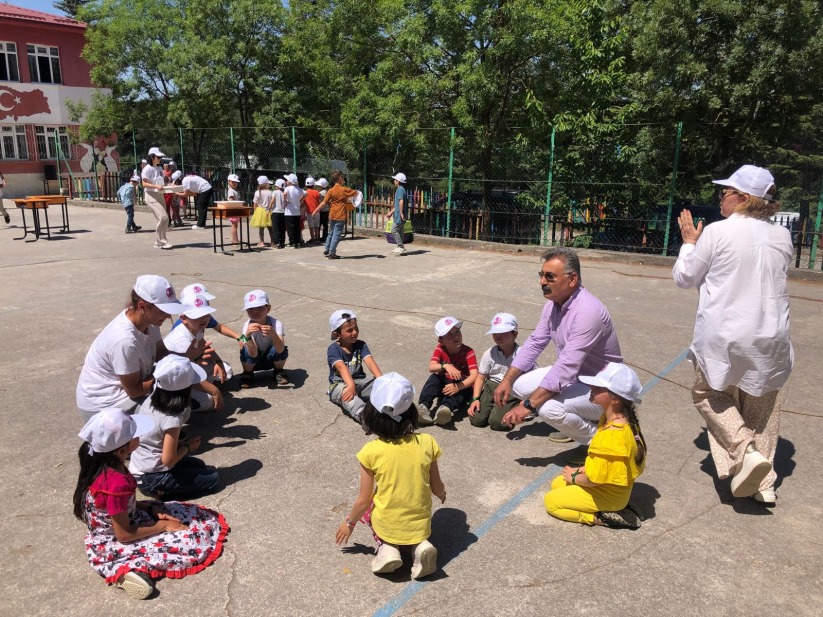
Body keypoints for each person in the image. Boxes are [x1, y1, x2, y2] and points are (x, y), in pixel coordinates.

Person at [673, 165, 793, 504]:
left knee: (708, 393)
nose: (720, 199)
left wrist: (689, 244)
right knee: (763, 404)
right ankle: (764, 485)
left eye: (724, 193)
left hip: (725, 334)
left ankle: (745, 451)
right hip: (772, 335)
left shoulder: (717, 232)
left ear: (742, 198)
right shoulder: (781, 236)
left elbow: (685, 277)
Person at [74, 408, 228, 599]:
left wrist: (149, 508)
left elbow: (119, 505)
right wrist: (162, 526)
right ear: (122, 450)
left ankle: (125, 569)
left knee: (185, 515)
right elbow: (124, 534)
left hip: (122, 519)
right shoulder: (115, 483)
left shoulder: (106, 465)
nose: (140, 436)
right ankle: (121, 572)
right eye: (135, 434)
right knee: (189, 538)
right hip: (115, 537)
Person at [496, 247, 623, 465]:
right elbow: (536, 342)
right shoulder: (553, 305)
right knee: (517, 385)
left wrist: (527, 406)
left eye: (550, 276)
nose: (542, 282)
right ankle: (573, 420)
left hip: (605, 390)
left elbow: (566, 367)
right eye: (541, 275)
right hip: (577, 378)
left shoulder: (588, 312)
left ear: (572, 279)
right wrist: (507, 380)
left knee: (546, 408)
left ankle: (599, 443)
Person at [335, 373, 446, 579]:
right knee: (415, 525)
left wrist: (349, 523)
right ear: (411, 412)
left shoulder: (370, 451)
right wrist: (442, 494)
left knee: (370, 508)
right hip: (420, 526)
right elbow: (436, 485)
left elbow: (363, 500)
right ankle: (420, 546)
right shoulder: (427, 442)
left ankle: (387, 548)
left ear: (371, 414)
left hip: (388, 524)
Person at [76, 275, 194, 422]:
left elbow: (161, 354)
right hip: (104, 405)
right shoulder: (124, 341)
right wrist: (171, 379)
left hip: (124, 391)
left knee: (181, 399)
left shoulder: (150, 321)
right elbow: (134, 390)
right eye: (163, 310)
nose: (168, 315)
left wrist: (187, 359)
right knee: (175, 414)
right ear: (142, 306)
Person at [543, 362, 646, 529]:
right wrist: (582, 469)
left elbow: (593, 479)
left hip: (606, 493)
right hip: (610, 488)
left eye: (598, 388)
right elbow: (604, 465)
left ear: (614, 398)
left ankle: (600, 516)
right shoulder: (616, 420)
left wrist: (575, 477)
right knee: (557, 483)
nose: (592, 387)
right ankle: (618, 505)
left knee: (551, 502)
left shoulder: (612, 435)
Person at [129, 355, 220, 499]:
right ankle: (161, 492)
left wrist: (182, 445)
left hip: (140, 466)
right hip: (153, 478)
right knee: (213, 478)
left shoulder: (151, 399)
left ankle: (166, 486)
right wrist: (188, 447)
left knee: (199, 464)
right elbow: (168, 460)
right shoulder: (173, 417)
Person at [468, 313, 536, 431]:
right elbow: (480, 377)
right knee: (476, 420)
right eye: (495, 333)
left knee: (497, 423)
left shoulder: (523, 355)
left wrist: (525, 402)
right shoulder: (490, 353)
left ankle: (513, 405)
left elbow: (534, 380)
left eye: (503, 332)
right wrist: (475, 399)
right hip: (491, 388)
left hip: (511, 391)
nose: (498, 336)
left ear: (514, 334)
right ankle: (493, 406)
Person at [162, 293, 227, 412]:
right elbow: (183, 374)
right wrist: (214, 391)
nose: (203, 319)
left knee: (224, 370)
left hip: (189, 368)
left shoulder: (196, 327)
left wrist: (218, 362)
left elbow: (203, 343)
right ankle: (181, 403)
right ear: (183, 318)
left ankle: (201, 388)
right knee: (208, 401)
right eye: (197, 316)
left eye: (206, 314)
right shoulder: (181, 342)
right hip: (172, 380)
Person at [416, 316, 478, 427]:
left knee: (461, 383)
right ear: (441, 341)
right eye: (449, 335)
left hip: (462, 387)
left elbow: (474, 376)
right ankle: (423, 407)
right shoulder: (440, 349)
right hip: (445, 385)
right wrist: (446, 366)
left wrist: (458, 386)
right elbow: (431, 367)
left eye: (457, 331)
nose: (456, 336)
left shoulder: (469, 352)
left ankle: (445, 409)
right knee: (434, 378)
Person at [327, 309, 383, 426]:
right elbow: (342, 368)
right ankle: (365, 417)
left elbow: (370, 362)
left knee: (382, 386)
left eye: (356, 328)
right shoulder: (333, 349)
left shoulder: (361, 345)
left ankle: (393, 408)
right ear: (337, 334)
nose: (355, 332)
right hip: (340, 385)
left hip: (360, 382)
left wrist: (381, 381)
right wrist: (351, 385)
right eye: (349, 330)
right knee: (348, 396)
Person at [238, 289, 290, 388]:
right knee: (245, 349)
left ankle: (278, 371)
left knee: (281, 346)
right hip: (254, 361)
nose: (255, 311)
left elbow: (280, 349)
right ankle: (248, 373)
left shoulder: (276, 323)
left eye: (259, 307)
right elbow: (252, 353)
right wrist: (247, 336)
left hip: (271, 358)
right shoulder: (247, 326)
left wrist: (273, 334)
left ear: (268, 308)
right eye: (251, 309)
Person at [171, 282, 242, 342]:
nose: (204, 305)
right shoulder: (181, 332)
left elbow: (219, 327)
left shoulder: (204, 318)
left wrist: (241, 338)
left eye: (206, 301)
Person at [318, 170, 360, 259]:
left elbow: (324, 202)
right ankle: (332, 252)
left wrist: (315, 211)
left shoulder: (330, 190)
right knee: (336, 235)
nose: (344, 178)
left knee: (331, 233)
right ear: (340, 178)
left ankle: (327, 249)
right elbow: (356, 193)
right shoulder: (344, 189)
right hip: (340, 215)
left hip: (332, 214)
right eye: (343, 177)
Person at [140, 147, 173, 249]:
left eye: (160, 157)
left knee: (162, 219)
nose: (160, 159)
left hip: (160, 194)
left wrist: (169, 184)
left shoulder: (159, 168)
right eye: (158, 157)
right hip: (150, 195)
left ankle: (158, 242)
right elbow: (144, 183)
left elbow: (161, 181)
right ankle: (162, 241)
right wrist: (155, 187)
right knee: (163, 217)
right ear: (152, 157)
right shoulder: (147, 169)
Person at [387, 172, 408, 255]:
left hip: (399, 215)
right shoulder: (401, 189)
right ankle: (399, 246)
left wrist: (401, 213)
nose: (394, 181)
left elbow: (401, 202)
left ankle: (401, 246)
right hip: (399, 214)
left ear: (398, 181)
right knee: (400, 231)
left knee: (394, 230)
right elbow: (398, 205)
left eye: (395, 180)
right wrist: (391, 212)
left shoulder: (400, 190)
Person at [251, 176, 274, 247]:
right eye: (268, 183)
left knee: (261, 227)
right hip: (268, 211)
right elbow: (272, 202)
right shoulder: (270, 192)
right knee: (270, 227)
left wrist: (255, 213)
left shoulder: (257, 192)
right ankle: (273, 242)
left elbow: (255, 203)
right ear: (266, 184)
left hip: (260, 211)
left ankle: (261, 242)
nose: (269, 185)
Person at [283, 173, 304, 248]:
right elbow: (305, 193)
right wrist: (300, 200)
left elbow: (284, 194)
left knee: (290, 228)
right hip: (297, 211)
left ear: (290, 181)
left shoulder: (287, 188)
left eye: (287, 180)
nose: (286, 181)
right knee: (297, 227)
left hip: (289, 211)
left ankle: (292, 242)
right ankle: (297, 242)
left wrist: (285, 201)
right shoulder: (299, 189)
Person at [303, 176, 322, 245]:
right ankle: (317, 238)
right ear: (313, 185)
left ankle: (312, 239)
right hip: (316, 211)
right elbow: (319, 201)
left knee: (311, 226)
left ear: (306, 185)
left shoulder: (305, 192)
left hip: (309, 212)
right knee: (316, 226)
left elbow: (304, 202)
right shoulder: (317, 192)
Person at [226, 173, 242, 244]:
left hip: (236, 209)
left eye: (236, 182)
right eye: (233, 182)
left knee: (235, 225)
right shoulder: (231, 190)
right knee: (234, 225)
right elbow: (231, 200)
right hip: (233, 210)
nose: (235, 183)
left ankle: (235, 239)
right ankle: (235, 240)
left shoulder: (234, 190)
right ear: (229, 181)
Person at [272, 178, 287, 249]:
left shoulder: (274, 192)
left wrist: (269, 208)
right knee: (282, 228)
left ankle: (277, 242)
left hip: (275, 211)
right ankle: (282, 242)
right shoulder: (284, 192)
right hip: (283, 212)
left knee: (276, 228)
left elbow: (272, 200)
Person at [316, 177, 329, 241]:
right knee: (325, 225)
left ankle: (317, 237)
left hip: (321, 210)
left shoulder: (320, 193)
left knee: (319, 224)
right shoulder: (327, 192)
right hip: (327, 210)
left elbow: (319, 202)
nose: (318, 187)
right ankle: (325, 236)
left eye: (318, 186)